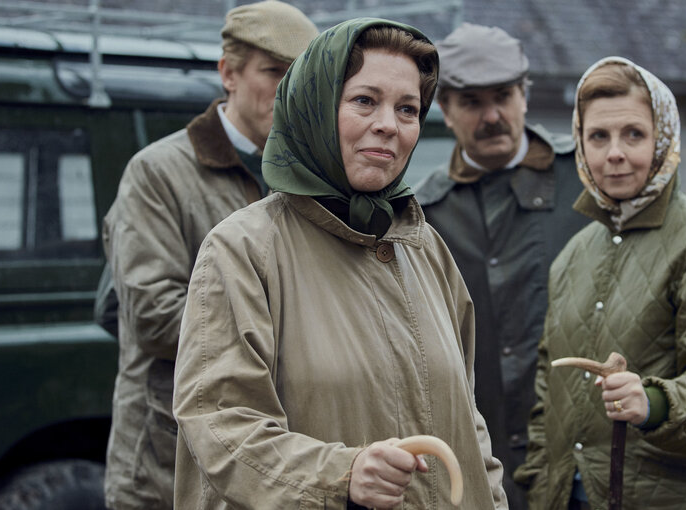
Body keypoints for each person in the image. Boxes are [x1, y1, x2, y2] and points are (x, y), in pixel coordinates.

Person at [172, 19, 508, 509]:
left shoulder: (426, 248)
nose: (388, 125)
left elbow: (467, 419)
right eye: (364, 101)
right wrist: (340, 475)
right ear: (315, 107)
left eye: (408, 109)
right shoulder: (242, 250)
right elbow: (221, 426)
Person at [513, 56, 686, 509]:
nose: (615, 153)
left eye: (634, 134)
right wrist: (540, 484)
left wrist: (655, 403)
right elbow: (549, 392)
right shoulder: (573, 255)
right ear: (581, 145)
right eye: (598, 137)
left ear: (663, 137)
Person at [100, 3, 317, 508]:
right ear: (228, 74)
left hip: (278, 462)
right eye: (273, 72)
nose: (289, 91)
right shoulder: (158, 173)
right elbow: (152, 316)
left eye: (301, 77)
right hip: (168, 466)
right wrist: (301, 333)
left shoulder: (313, 178)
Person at [413, 22, 590, 510]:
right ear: (445, 110)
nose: (492, 116)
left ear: (525, 96)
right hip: (478, 465)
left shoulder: (587, 182)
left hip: (579, 464)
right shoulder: (423, 215)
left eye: (503, 96)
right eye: (472, 102)